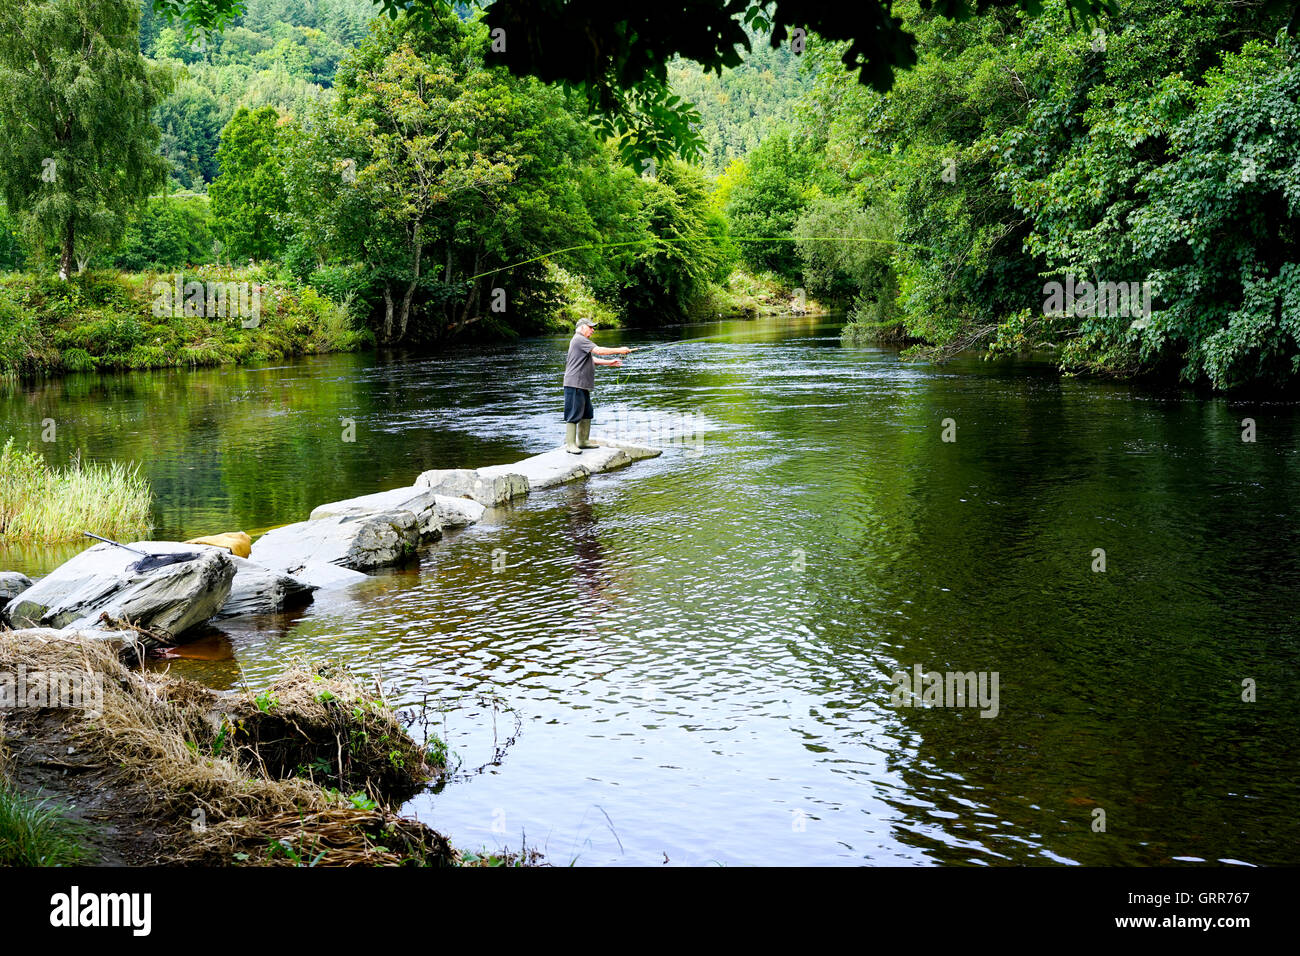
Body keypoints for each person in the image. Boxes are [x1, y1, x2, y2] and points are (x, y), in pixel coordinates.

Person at [562, 318, 630, 454]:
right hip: (575, 383)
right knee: (573, 413)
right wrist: (620, 350)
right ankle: (570, 444)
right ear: (582, 328)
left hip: (582, 384)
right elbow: (599, 350)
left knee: (587, 412)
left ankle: (583, 441)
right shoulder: (579, 339)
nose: (593, 330)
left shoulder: (580, 341)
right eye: (590, 327)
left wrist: (609, 363)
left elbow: (591, 359)